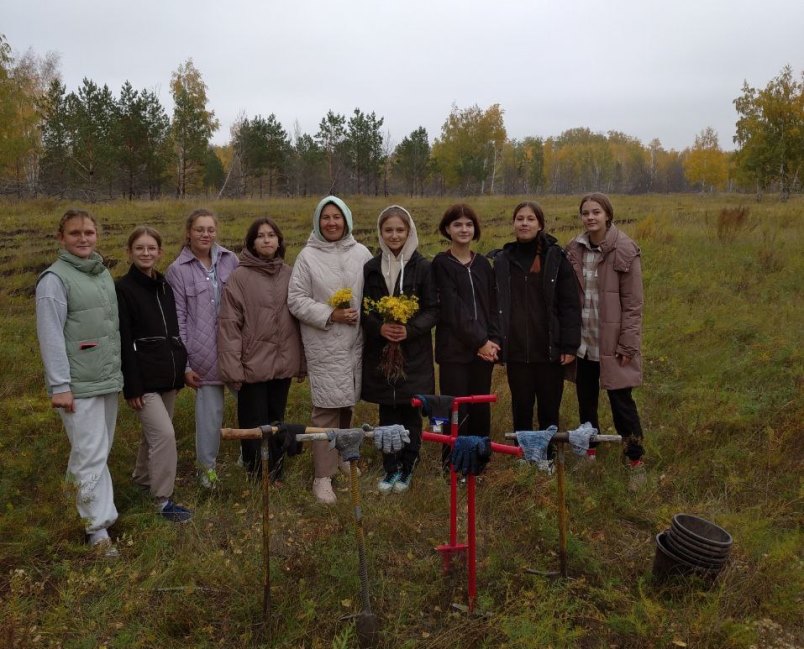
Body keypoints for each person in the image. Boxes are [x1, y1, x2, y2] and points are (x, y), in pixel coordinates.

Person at [35, 209, 123, 557]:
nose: (83, 238)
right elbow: (51, 336)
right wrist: (60, 386)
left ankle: (75, 501)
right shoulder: (53, 280)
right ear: (61, 239)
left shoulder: (101, 273)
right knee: (90, 454)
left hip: (105, 379)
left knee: (97, 451)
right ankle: (96, 529)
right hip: (77, 385)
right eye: (75, 233)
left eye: (89, 232)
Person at [288, 196, 373, 504]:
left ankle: (345, 458)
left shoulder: (361, 252)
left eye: (337, 216)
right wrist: (329, 314)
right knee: (326, 410)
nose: (332, 222)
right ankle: (322, 477)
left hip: (354, 341)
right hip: (324, 343)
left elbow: (371, 294)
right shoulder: (307, 257)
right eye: (326, 217)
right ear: (317, 221)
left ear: (347, 220)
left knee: (347, 404)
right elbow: (296, 300)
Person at [565, 193, 646, 488]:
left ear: (607, 215)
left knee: (622, 404)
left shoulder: (624, 249)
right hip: (584, 343)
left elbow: (634, 304)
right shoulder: (574, 249)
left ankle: (635, 460)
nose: (590, 217)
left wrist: (628, 344)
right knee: (586, 403)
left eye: (596, 212)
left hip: (612, 345)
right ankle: (589, 452)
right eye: (585, 212)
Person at [218, 217, 306, 482]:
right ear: (252, 243)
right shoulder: (239, 278)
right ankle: (256, 474)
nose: (266, 240)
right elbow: (229, 326)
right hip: (252, 365)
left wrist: (301, 362)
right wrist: (233, 368)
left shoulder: (291, 274)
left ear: (279, 241)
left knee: (277, 419)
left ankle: (276, 472)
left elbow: (300, 321)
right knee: (254, 423)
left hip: (283, 363)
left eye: (271, 235)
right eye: (260, 236)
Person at [116, 226, 192, 522]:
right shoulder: (123, 289)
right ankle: (162, 499)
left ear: (160, 252)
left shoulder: (164, 287)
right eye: (140, 248)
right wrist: (132, 386)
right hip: (143, 381)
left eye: (151, 248)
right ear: (130, 252)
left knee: (154, 436)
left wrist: (179, 369)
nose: (146, 253)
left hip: (167, 375)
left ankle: (142, 479)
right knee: (164, 434)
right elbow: (124, 340)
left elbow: (173, 330)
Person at [361, 205, 438, 494]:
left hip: (413, 355)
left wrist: (409, 329)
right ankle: (389, 466)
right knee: (387, 412)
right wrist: (380, 327)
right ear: (380, 233)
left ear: (410, 232)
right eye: (388, 230)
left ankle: (408, 466)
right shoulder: (371, 268)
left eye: (400, 230)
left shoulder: (423, 267)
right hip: (381, 354)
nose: (394, 235)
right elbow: (364, 309)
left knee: (410, 412)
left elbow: (433, 310)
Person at [491, 201, 581, 446]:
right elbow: (494, 304)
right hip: (517, 350)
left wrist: (569, 346)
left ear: (540, 224)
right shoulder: (502, 260)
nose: (524, 223)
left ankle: (547, 456)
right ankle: (523, 453)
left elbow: (570, 305)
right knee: (521, 406)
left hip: (549, 350)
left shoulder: (555, 257)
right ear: (513, 223)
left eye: (530, 219)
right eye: (520, 218)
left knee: (549, 408)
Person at [166, 209, 238, 489]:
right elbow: (179, 319)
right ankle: (206, 470)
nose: (205, 234)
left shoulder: (231, 260)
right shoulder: (178, 270)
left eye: (210, 229)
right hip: (201, 356)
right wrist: (185, 364)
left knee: (251, 406)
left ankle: (250, 457)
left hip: (234, 351)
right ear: (188, 233)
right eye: (199, 229)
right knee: (210, 418)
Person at [431, 203, 500, 471]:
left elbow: (494, 306)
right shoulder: (441, 263)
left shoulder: (483, 264)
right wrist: (480, 341)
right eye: (457, 224)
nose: (463, 229)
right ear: (447, 229)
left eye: (468, 224)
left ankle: (479, 460)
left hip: (484, 352)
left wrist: (493, 342)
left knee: (481, 406)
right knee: (455, 407)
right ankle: (453, 461)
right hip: (454, 351)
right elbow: (452, 309)